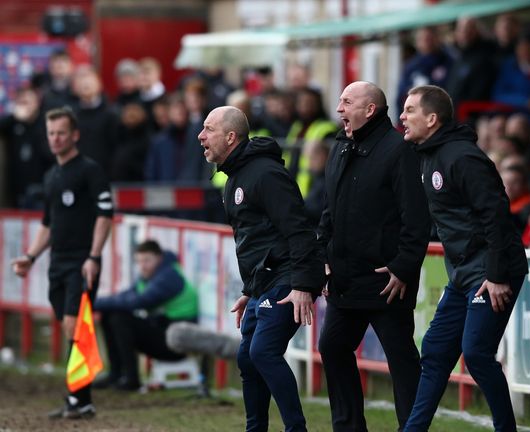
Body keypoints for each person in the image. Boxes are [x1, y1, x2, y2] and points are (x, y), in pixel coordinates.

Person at [400, 85, 528, 432]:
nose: (402, 116)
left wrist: (497, 273)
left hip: (492, 270)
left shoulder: (462, 157)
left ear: (432, 118)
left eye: (410, 110)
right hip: (463, 274)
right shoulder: (426, 155)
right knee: (436, 350)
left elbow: (497, 214)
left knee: (475, 353)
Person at [198, 106, 324, 432]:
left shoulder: (266, 174)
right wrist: (249, 291)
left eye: (208, 130)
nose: (201, 137)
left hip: (287, 277)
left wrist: (302, 284)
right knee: (247, 358)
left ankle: (296, 429)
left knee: (263, 352)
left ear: (230, 136)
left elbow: (298, 230)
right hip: (263, 283)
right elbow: (256, 240)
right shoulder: (234, 178)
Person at [317, 81, 430, 431]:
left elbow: (417, 217)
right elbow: (329, 210)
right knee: (333, 347)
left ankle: (411, 428)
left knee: (401, 360)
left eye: (347, 102)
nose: (339, 109)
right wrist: (323, 253)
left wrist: (403, 267)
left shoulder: (399, 150)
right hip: (345, 277)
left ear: (370, 110)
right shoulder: (339, 148)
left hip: (386, 281)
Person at [11, 107, 113, 419]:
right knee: (70, 327)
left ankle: (79, 399)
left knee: (75, 325)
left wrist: (94, 257)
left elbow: (105, 215)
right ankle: (80, 398)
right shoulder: (51, 175)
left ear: (74, 135)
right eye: (51, 133)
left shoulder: (90, 171)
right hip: (58, 263)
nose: (55, 139)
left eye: (61, 133)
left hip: (82, 262)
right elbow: (48, 224)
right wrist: (30, 256)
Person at [93, 240, 198, 390]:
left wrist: (91, 304)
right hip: (165, 332)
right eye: (139, 261)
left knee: (120, 319)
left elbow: (137, 302)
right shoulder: (151, 275)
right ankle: (115, 374)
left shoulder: (169, 277)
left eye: (147, 260)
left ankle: (131, 379)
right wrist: (95, 304)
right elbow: (125, 296)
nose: (142, 266)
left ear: (159, 258)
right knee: (110, 314)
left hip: (178, 343)